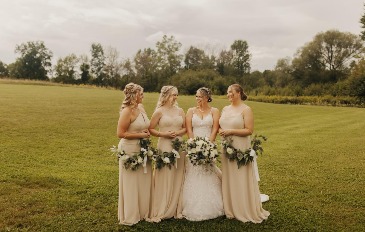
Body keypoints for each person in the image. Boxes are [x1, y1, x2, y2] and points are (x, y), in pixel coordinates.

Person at [219, 84, 270, 223]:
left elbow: (249, 130)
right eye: (228, 92)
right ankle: (230, 207)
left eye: (231, 92)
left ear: (239, 93)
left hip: (240, 147)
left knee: (240, 175)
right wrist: (221, 131)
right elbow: (220, 125)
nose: (228, 94)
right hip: (226, 147)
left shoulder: (246, 109)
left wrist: (231, 131)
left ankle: (243, 207)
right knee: (229, 176)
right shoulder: (224, 108)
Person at [181, 87, 224, 221]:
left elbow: (215, 128)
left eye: (199, 97)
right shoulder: (190, 111)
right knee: (194, 171)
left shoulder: (214, 111)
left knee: (208, 171)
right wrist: (193, 145)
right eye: (196, 96)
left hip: (209, 145)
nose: (197, 99)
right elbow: (189, 129)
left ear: (206, 97)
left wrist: (208, 145)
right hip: (194, 146)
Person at [148, 86, 186, 222]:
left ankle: (175, 205)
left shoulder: (180, 111)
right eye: (172, 95)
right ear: (165, 96)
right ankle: (162, 206)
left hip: (179, 146)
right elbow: (150, 128)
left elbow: (185, 128)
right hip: (164, 145)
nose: (175, 97)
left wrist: (178, 133)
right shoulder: (159, 111)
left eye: (176, 95)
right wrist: (163, 133)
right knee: (164, 173)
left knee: (177, 173)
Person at [116, 83, 152, 225]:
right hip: (130, 149)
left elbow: (145, 127)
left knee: (144, 180)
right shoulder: (127, 111)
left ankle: (143, 211)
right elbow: (120, 133)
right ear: (134, 95)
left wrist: (146, 134)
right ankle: (131, 214)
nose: (143, 96)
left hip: (143, 149)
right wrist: (140, 135)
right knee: (131, 183)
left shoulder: (141, 108)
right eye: (141, 94)